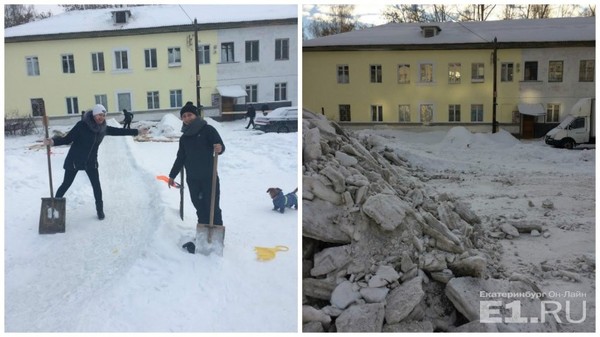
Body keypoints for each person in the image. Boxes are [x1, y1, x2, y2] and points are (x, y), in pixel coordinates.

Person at [43, 104, 142, 220]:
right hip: (75, 160)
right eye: (100, 115)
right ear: (94, 114)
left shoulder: (103, 129)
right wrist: (52, 142)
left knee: (96, 186)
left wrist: (136, 131)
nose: (102, 117)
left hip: (91, 162)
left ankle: (100, 211)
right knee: (66, 184)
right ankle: (54, 207)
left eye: (104, 115)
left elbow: (119, 131)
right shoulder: (82, 125)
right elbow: (67, 139)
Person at [168, 101, 225, 226]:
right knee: (199, 207)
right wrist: (172, 175)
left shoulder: (208, 130)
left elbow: (221, 147)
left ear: (196, 115)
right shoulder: (184, 138)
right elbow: (180, 158)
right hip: (193, 179)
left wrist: (219, 148)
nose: (187, 118)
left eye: (190, 115)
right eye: (184, 116)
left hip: (209, 177)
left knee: (212, 207)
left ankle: (216, 233)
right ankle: (203, 232)